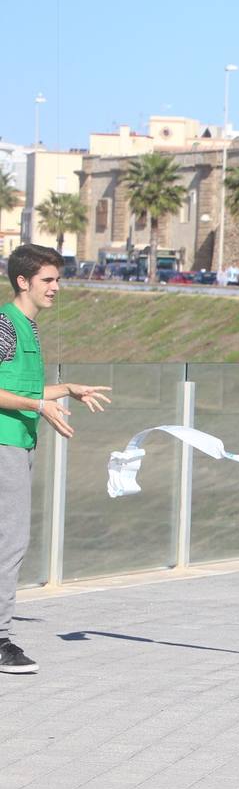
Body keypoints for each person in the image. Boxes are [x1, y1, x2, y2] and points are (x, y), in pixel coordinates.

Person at [0, 245, 111, 673]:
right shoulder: (5, 325)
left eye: (58, 280)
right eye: (48, 280)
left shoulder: (28, 327)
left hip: (19, 443)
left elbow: (23, 389)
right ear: (23, 282)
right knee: (10, 543)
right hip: (5, 443)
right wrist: (38, 406)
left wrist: (65, 391)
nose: (56, 288)